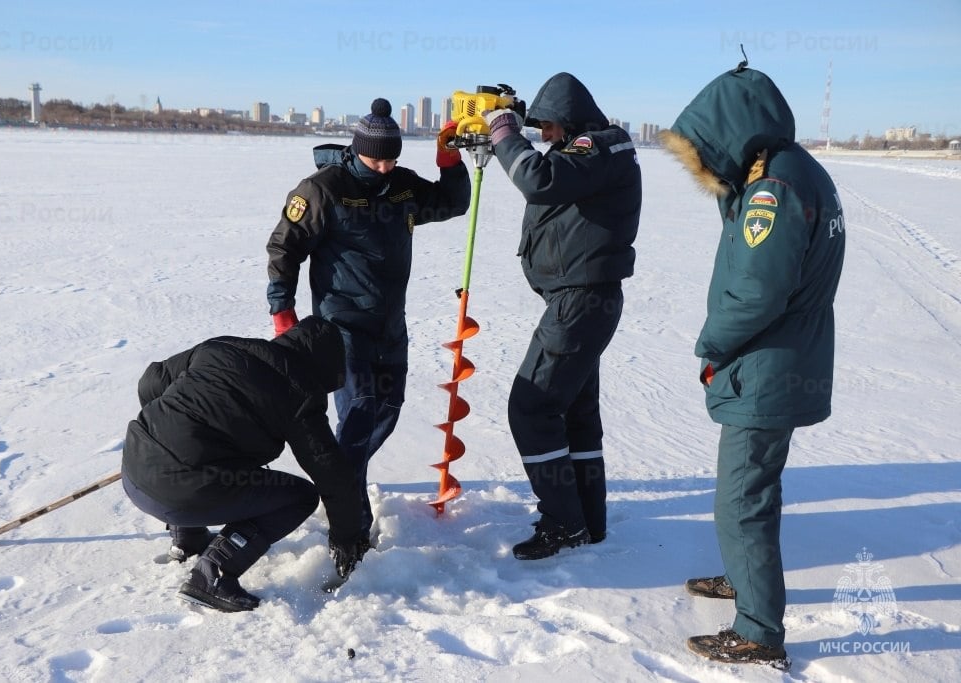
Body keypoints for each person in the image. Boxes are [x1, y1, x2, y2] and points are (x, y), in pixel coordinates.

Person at [659, 61, 846, 669]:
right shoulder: (793, 171)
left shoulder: (775, 188)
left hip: (767, 364)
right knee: (750, 490)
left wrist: (711, 345)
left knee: (743, 498)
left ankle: (759, 630)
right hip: (782, 359)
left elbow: (760, 293)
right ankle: (745, 579)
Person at [266, 98, 471, 550]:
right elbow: (284, 248)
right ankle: (350, 525)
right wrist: (282, 310)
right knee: (358, 415)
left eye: (391, 158)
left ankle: (337, 481)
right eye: (375, 158)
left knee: (386, 412)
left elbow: (453, 204)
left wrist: (450, 159)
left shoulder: (401, 186)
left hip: (389, 326)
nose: (383, 167)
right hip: (341, 327)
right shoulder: (322, 190)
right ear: (357, 149)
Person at [481, 73, 642, 560]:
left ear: (568, 120)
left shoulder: (598, 146)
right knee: (574, 411)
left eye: (547, 127)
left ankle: (562, 522)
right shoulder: (593, 152)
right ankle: (587, 521)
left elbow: (538, 180)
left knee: (531, 406)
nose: (544, 137)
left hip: (581, 303)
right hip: (580, 301)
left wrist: (504, 132)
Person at [121, 316, 365, 612]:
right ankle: (212, 574)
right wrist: (346, 536)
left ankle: (188, 536)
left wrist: (165, 430)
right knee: (300, 498)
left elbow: (152, 379)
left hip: (134, 466)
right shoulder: (299, 395)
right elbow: (332, 474)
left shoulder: (223, 348)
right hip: (181, 493)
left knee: (209, 462)